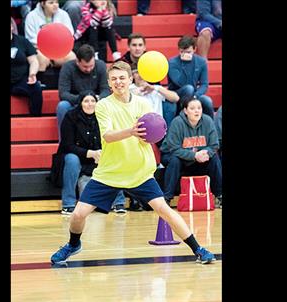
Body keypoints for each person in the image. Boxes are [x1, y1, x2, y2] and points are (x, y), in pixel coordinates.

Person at [50, 61, 215, 265]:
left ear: (130, 80)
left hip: (140, 171)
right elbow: (108, 136)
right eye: (114, 79)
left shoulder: (143, 104)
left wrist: (151, 135)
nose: (118, 82)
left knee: (164, 210)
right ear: (109, 83)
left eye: (122, 78)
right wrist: (131, 131)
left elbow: (151, 135)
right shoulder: (103, 105)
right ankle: (73, 244)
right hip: (110, 173)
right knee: (77, 215)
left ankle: (198, 249)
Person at [58, 90, 127, 215]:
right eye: (86, 101)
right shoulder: (71, 116)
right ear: (81, 103)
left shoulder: (103, 116)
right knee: (71, 159)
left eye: (93, 101)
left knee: (114, 156)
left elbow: (110, 137)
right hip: (79, 156)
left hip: (99, 156)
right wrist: (90, 153)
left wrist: (102, 153)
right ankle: (68, 203)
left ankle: (119, 202)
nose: (90, 104)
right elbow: (67, 145)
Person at [159, 97, 222, 208]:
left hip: (199, 159)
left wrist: (205, 152)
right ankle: (167, 198)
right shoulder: (177, 123)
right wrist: (194, 155)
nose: (197, 111)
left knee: (214, 158)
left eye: (199, 108)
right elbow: (173, 148)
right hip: (175, 157)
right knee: (175, 159)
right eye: (192, 108)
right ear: (185, 111)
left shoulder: (207, 121)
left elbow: (214, 145)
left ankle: (219, 195)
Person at [56, 44, 110, 139]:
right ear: (77, 61)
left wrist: (97, 98)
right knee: (62, 106)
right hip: (75, 102)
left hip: (95, 102)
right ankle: (64, 142)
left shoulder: (101, 65)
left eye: (91, 66)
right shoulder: (67, 67)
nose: (88, 69)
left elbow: (106, 90)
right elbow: (63, 93)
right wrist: (82, 100)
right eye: (85, 66)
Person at [167, 35, 214, 119]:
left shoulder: (201, 62)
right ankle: (183, 118)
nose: (185, 55)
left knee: (207, 101)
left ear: (194, 49)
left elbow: (204, 84)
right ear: (179, 50)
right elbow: (180, 83)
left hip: (194, 94)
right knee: (189, 88)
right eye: (182, 52)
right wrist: (185, 64)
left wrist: (195, 96)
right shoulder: (172, 62)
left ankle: (212, 129)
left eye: (188, 52)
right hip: (176, 93)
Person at [24, 0, 76, 72]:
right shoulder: (31, 16)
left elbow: (70, 33)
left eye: (56, 2)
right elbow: (30, 38)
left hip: (60, 49)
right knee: (41, 58)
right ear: (43, 4)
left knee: (72, 57)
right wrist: (47, 47)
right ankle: (40, 81)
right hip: (40, 49)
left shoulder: (64, 14)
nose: (55, 5)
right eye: (51, 3)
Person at [10, 18, 43, 116]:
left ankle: (36, 118)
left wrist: (32, 73)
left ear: (11, 27)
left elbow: (33, 61)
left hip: (20, 80)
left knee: (36, 88)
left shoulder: (22, 41)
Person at [129, 65, 179, 130]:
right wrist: (137, 92)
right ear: (132, 75)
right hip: (137, 125)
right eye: (137, 72)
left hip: (156, 125)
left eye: (143, 72)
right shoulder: (129, 89)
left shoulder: (155, 88)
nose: (140, 75)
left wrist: (155, 88)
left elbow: (176, 98)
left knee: (171, 105)